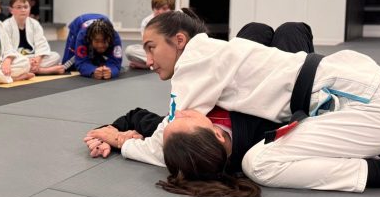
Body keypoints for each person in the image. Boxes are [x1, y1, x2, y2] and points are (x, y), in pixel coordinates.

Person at [115, 10, 380, 197]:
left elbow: (165, 145)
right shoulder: (210, 52)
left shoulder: (193, 62)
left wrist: (121, 142)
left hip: (373, 104)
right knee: (278, 33)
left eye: (151, 47)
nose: (149, 59)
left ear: (179, 40)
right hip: (364, 93)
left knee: (258, 164)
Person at [84, 22, 313, 165]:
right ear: (217, 135)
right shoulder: (253, 140)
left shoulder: (179, 124)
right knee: (290, 29)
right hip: (278, 90)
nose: (181, 114)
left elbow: (135, 117)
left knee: (255, 29)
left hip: (230, 78)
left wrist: (110, 135)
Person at [2, 0, 63, 75]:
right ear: (11, 10)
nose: (23, 10)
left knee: (55, 56)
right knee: (6, 63)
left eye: (26, 7)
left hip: (32, 57)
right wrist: (24, 60)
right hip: (16, 59)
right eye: (19, 7)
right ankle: (42, 70)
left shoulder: (34, 24)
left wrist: (37, 60)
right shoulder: (6, 25)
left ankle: (31, 69)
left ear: (30, 8)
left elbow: (41, 44)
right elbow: (6, 49)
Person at [62, 13, 122, 80]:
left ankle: (96, 59)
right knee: (69, 67)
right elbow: (81, 63)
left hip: (102, 26)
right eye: (96, 41)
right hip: (78, 24)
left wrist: (110, 71)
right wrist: (93, 71)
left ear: (109, 39)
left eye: (104, 42)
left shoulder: (115, 37)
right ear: (90, 40)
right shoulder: (83, 36)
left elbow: (116, 63)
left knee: (100, 64)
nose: (100, 45)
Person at [125, 0, 175, 69]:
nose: (160, 12)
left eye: (164, 9)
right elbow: (147, 45)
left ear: (171, 9)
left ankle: (150, 65)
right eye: (157, 9)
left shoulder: (177, 19)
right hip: (155, 51)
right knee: (130, 50)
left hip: (171, 51)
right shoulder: (146, 22)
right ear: (153, 9)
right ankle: (163, 64)